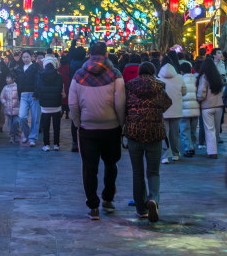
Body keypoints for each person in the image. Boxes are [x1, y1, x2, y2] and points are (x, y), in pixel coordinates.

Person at [69, 42, 126, 220]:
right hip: (111, 128)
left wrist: (79, 122)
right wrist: (120, 122)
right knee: (111, 164)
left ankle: (93, 205)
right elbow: (120, 102)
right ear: (106, 54)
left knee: (89, 167)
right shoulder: (115, 74)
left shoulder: (79, 75)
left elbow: (72, 103)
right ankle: (108, 199)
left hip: (88, 129)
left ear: (89, 54)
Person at [124, 62, 172, 222]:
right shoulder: (159, 88)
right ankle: (153, 200)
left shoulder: (130, 87)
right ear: (153, 72)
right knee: (153, 172)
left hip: (134, 133)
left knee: (137, 173)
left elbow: (124, 107)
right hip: (154, 133)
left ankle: (140, 209)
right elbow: (167, 104)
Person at [157, 54, 186, 164]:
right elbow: (184, 91)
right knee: (175, 133)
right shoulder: (179, 77)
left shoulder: (158, 78)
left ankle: (165, 156)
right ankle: (175, 153)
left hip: (163, 110)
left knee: (164, 134)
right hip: (176, 109)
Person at [196, 57, 224, 160]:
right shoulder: (218, 77)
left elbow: (201, 92)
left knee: (209, 129)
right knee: (216, 129)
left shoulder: (204, 77)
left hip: (207, 106)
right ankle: (214, 148)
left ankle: (212, 151)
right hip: (219, 106)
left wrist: (199, 100)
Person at [37, 55, 65, 151]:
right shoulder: (59, 76)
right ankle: (56, 144)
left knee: (46, 126)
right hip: (56, 104)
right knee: (56, 126)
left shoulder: (41, 75)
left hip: (45, 105)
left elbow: (39, 88)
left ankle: (46, 144)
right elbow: (60, 88)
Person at [16, 50, 41, 146]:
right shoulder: (19, 68)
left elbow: (39, 81)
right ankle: (26, 134)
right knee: (22, 116)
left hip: (34, 95)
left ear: (31, 57)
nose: (25, 59)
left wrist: (36, 93)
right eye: (23, 57)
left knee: (35, 118)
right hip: (23, 95)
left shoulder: (36, 67)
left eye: (27, 57)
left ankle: (33, 138)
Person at [68, 46, 87, 152]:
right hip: (84, 91)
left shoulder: (71, 62)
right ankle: (82, 141)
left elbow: (70, 51)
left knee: (74, 118)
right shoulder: (85, 64)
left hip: (73, 89)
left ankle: (75, 142)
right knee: (84, 115)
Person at [179, 61, 200, 158]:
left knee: (184, 130)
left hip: (184, 109)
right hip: (195, 109)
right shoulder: (196, 79)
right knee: (193, 130)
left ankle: (188, 149)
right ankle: (193, 147)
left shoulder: (180, 80)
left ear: (182, 71)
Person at [0, 73, 21, 144]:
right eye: (6, 78)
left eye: (8, 78)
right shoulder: (5, 88)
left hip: (16, 109)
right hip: (8, 109)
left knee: (16, 122)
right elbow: (2, 97)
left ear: (13, 79)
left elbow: (20, 97)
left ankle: (17, 135)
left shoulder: (17, 87)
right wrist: (5, 103)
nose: (7, 80)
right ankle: (12, 136)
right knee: (10, 124)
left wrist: (20, 104)